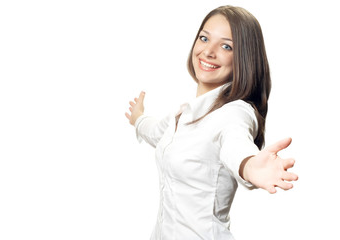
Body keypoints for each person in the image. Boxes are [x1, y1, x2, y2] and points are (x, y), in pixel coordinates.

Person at [125, 5, 298, 240]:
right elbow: (156, 132)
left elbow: (236, 146)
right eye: (204, 38)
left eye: (226, 46)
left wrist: (249, 166)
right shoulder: (183, 116)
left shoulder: (235, 113)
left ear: (243, 59)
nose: (208, 51)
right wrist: (138, 118)